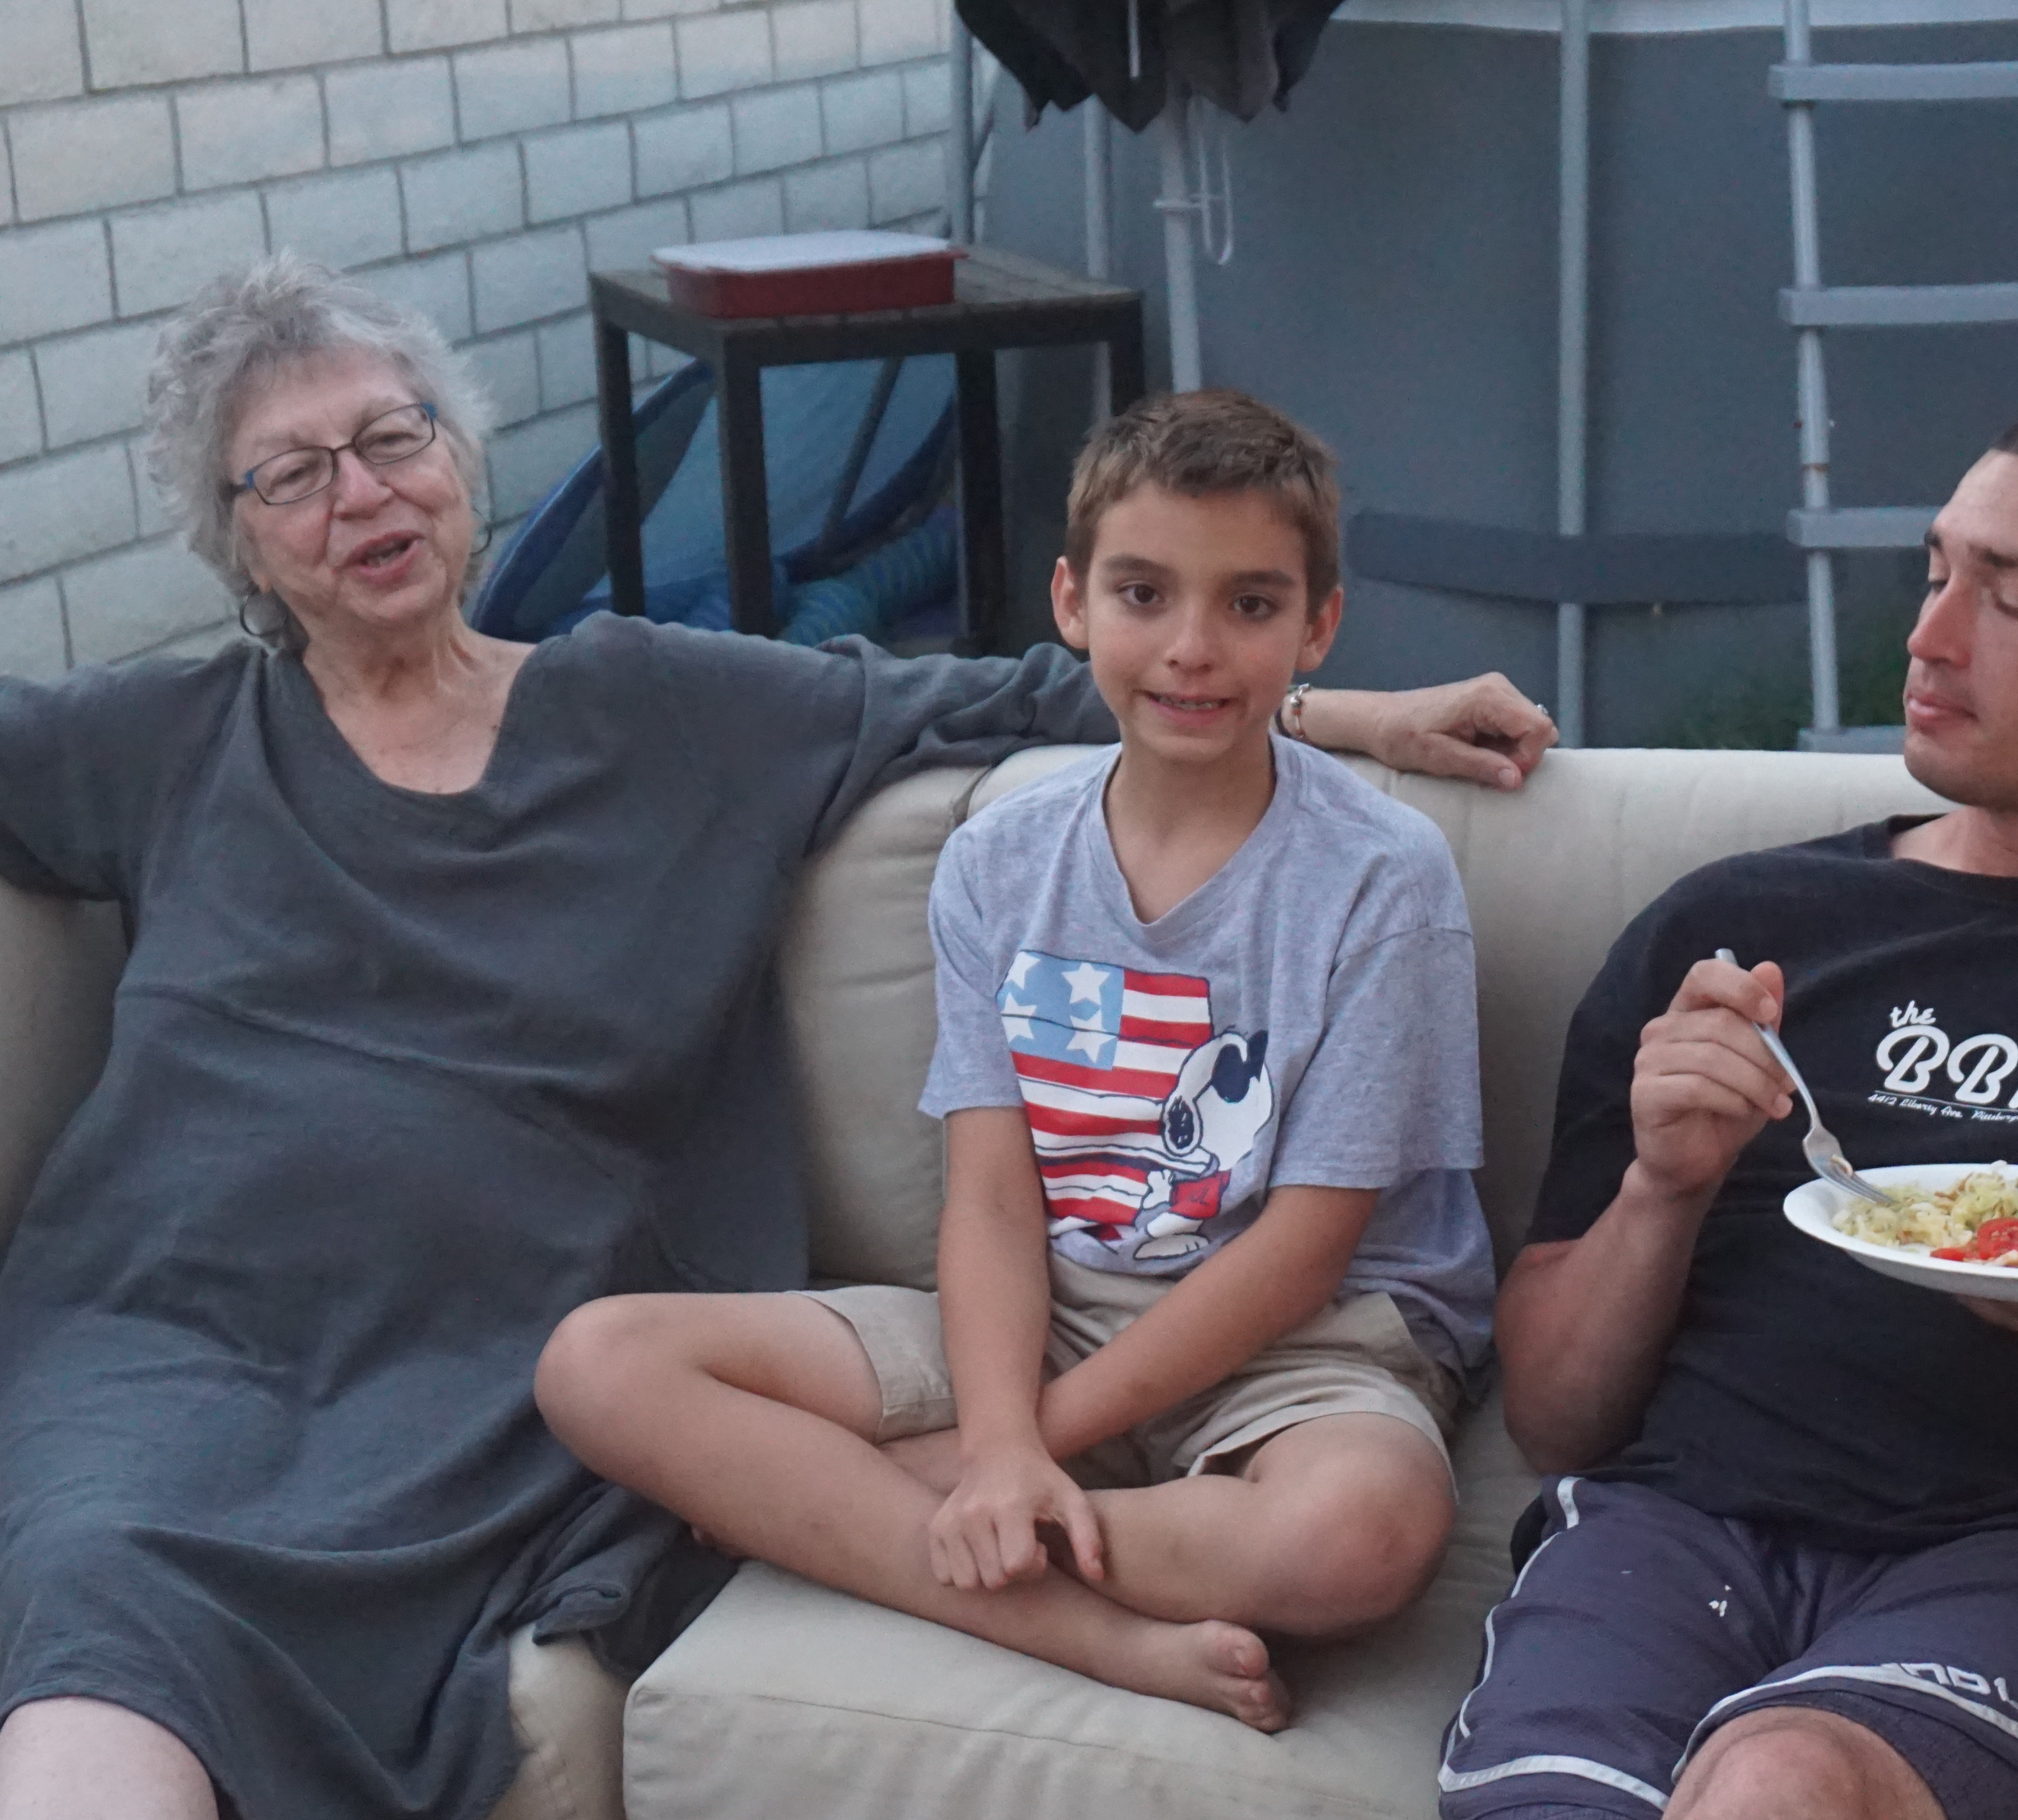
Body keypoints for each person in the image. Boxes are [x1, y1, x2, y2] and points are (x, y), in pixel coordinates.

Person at [0, 258, 1557, 1820]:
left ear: (461, 459)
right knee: (106, 1579)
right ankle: (1041, 1591)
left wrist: (1366, 716)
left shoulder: (668, 706)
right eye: (293, 474)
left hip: (471, 1357)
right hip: (157, 1322)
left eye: (392, 438)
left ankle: (987, 1553)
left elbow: (1059, 690)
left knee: (497, 1466)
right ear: (238, 542)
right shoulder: (162, 738)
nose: (361, 496)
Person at [1438, 407, 2018, 1820]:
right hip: (1671, 1531)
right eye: (1937, 575)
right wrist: (1665, 1188)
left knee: (1783, 1782)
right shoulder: (1736, 933)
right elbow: (1557, 1421)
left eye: (2011, 597)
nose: (1930, 638)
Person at [539, 390, 1493, 1731]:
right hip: (1048, 1313)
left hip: (1304, 1348)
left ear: (1318, 627)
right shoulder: (1000, 861)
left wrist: (1004, 1450)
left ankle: (867, 1522)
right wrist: (999, 1438)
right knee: (599, 1361)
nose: (1192, 648)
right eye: (1144, 594)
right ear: (1071, 602)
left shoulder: (1384, 879)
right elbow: (991, 1200)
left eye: (1250, 605)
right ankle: (1096, 1638)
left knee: (1362, 1538)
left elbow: (1302, 1254)